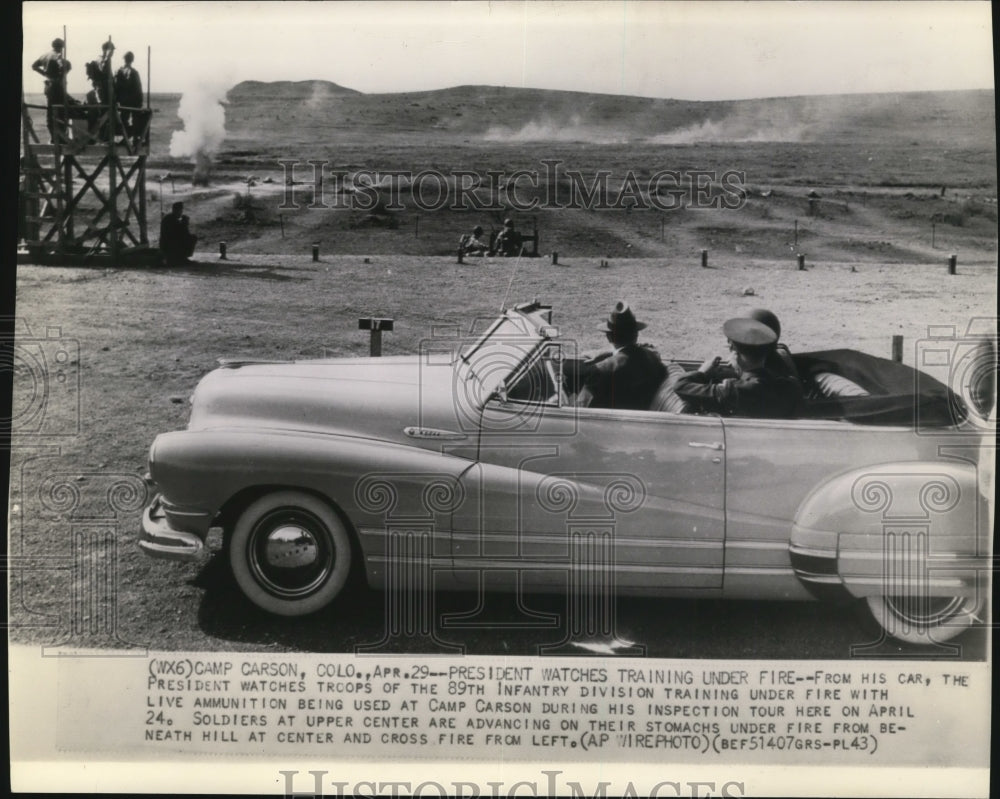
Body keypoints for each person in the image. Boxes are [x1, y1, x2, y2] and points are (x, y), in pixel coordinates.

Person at [674, 316, 803, 418]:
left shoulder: (735, 391)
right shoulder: (790, 385)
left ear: (735, 353)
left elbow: (681, 386)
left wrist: (702, 372)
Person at [576, 302, 667, 411]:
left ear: (608, 337)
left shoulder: (601, 371)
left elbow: (580, 411)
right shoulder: (654, 357)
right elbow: (639, 349)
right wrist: (610, 353)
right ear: (636, 334)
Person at [32, 37, 74, 143]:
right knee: (60, 112)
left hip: (48, 86)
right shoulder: (58, 56)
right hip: (56, 87)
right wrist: (63, 73)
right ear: (61, 47)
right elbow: (63, 66)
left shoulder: (45, 55)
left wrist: (46, 74)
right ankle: (59, 138)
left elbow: (34, 66)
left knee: (50, 113)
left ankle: (54, 137)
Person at [114, 51, 146, 144]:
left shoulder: (118, 71)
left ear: (124, 59)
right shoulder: (134, 72)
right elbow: (138, 89)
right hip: (133, 101)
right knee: (135, 120)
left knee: (123, 120)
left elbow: (116, 86)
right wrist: (140, 103)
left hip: (122, 100)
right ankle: (133, 138)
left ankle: (126, 138)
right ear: (132, 60)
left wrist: (116, 98)